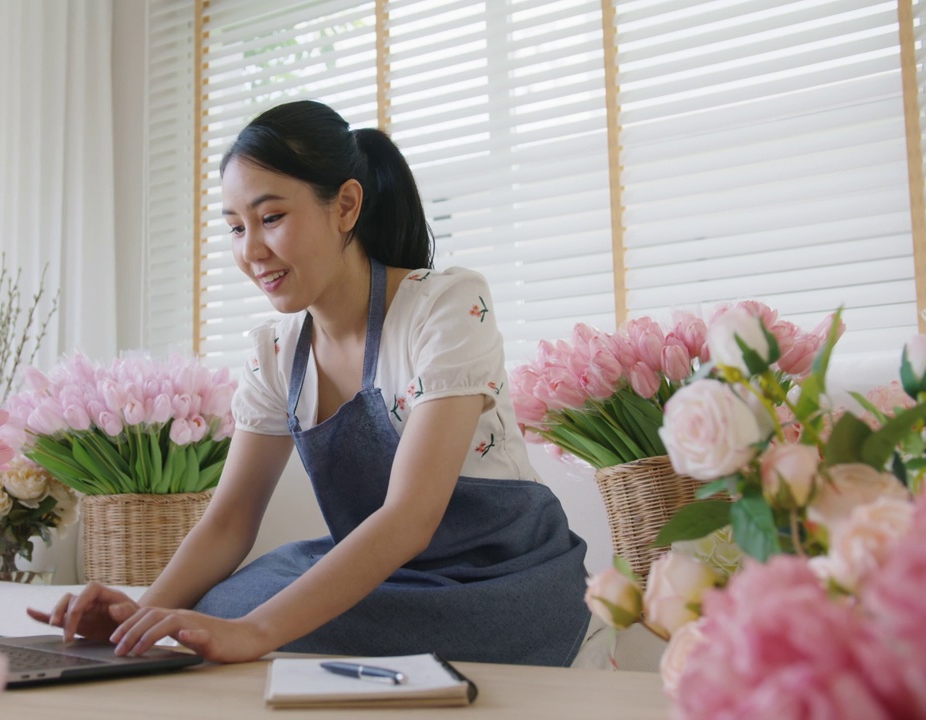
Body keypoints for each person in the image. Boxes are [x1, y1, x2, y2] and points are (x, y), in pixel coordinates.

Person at [29, 100, 591, 666]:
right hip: (387, 576)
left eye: (270, 218)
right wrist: (139, 617)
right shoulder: (276, 353)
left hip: (494, 579)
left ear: (345, 206)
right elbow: (229, 521)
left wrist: (256, 633)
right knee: (222, 605)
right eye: (235, 227)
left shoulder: (444, 305)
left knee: (246, 621)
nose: (251, 251)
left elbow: (411, 518)